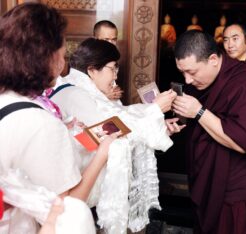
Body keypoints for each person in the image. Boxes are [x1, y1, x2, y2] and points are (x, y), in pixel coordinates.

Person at [0, 3, 117, 232]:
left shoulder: (7, 98)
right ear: (46, 58)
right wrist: (103, 153)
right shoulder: (42, 123)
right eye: (62, 55)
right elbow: (66, 209)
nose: (63, 63)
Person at [50, 38, 176, 233]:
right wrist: (155, 110)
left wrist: (159, 122)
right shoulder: (76, 95)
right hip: (79, 194)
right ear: (92, 70)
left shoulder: (84, 90)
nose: (116, 76)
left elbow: (122, 115)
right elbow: (117, 130)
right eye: (112, 68)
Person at [167, 30, 246, 233]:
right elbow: (200, 128)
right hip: (208, 185)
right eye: (182, 73)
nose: (188, 80)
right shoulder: (202, 84)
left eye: (192, 72)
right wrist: (175, 125)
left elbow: (243, 142)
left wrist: (199, 112)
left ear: (213, 60)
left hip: (237, 193)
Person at [93, 20, 123, 101]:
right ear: (95, 39)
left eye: (114, 39)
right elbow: (82, 95)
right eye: (106, 39)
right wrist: (105, 97)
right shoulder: (87, 60)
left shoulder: (113, 59)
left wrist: (114, 91)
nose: (111, 44)